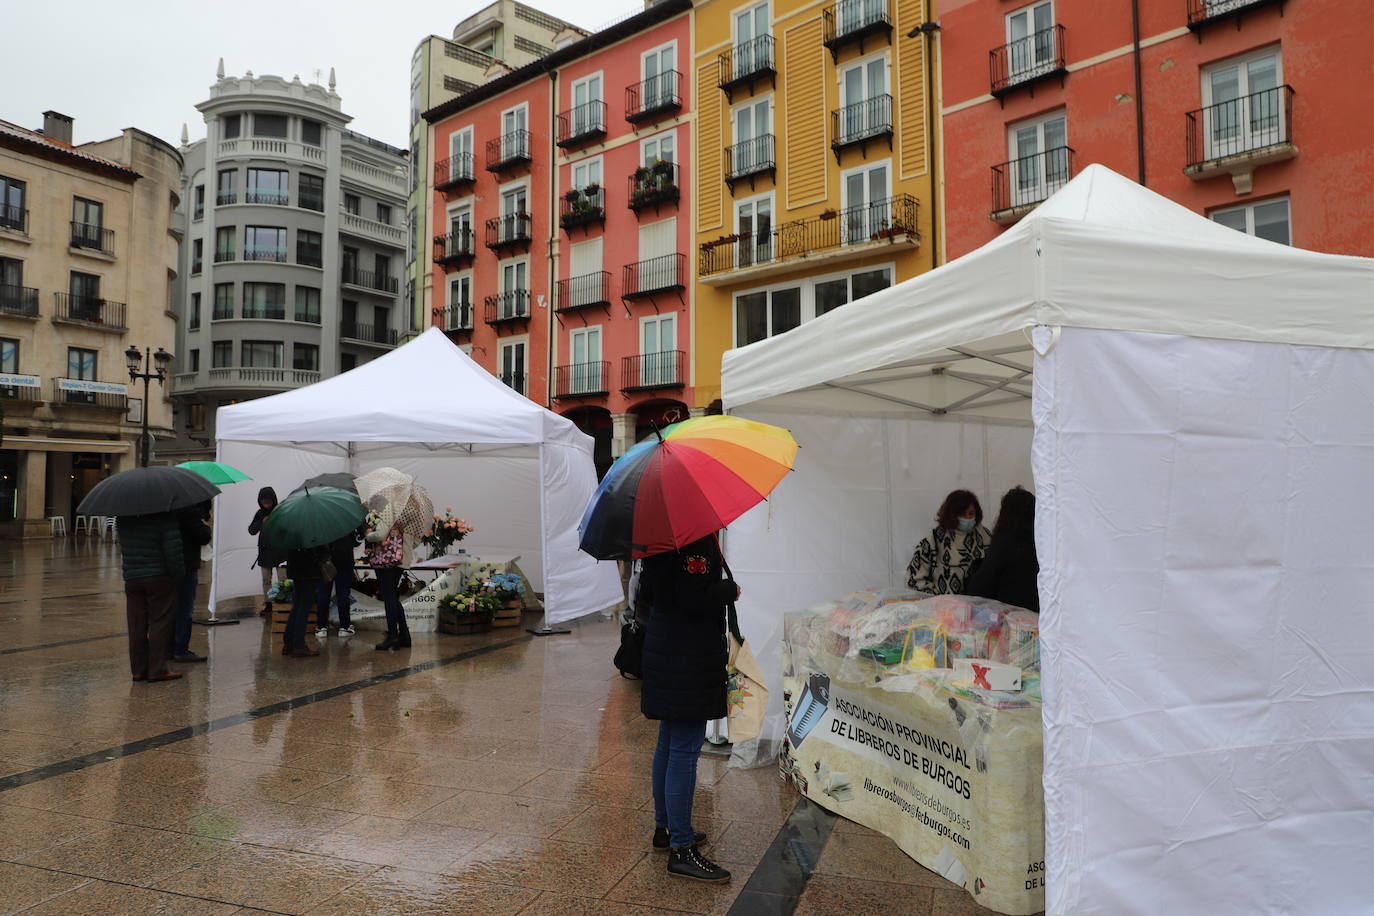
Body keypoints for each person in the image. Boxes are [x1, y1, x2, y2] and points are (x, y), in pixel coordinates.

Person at [638, 533, 737, 883]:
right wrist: (730, 590)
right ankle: (681, 849)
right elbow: (692, 595)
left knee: (669, 742)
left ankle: (665, 829)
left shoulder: (657, 534)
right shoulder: (693, 538)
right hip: (687, 656)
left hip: (667, 647)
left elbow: (650, 594)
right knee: (683, 749)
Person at [117, 510, 186, 682]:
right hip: (159, 577)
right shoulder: (164, 516)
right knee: (160, 623)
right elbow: (173, 550)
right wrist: (178, 575)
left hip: (132, 578)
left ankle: (138, 670)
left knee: (136, 624)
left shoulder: (124, 517)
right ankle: (157, 669)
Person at [965, 486, 1039, 611]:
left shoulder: (1004, 542)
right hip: (1041, 616)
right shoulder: (1044, 542)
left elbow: (980, 587)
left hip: (1010, 617)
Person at [906, 489, 991, 595]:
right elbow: (914, 580)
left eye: (971, 513)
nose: (968, 518)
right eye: (962, 514)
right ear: (951, 514)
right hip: (943, 608)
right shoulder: (933, 541)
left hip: (981, 607)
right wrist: (939, 599)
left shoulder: (985, 537)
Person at [170, 501, 211, 662]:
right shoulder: (188, 509)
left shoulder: (166, 507)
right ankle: (180, 648)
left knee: (170, 608)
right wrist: (204, 524)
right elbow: (203, 536)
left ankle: (168, 647)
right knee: (185, 607)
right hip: (186, 565)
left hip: (168, 565)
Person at [366, 519, 411, 651]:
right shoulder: (412, 516)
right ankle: (404, 635)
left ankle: (393, 635)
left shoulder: (390, 512)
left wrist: (368, 534)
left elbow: (380, 534)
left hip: (387, 559)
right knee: (392, 596)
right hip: (402, 558)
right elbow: (416, 540)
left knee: (389, 596)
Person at [283, 544, 328, 658]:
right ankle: (299, 645)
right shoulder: (313, 528)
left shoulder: (292, 527)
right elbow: (320, 548)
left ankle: (289, 643)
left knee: (297, 605)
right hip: (310, 570)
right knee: (303, 607)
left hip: (295, 567)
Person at [248, 487, 287, 616]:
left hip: (281, 552)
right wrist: (261, 522)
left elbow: (287, 529)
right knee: (266, 580)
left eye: (268, 502)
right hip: (265, 552)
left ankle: (283, 603)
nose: (266, 505)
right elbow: (251, 530)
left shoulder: (280, 511)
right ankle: (268, 604)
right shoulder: (260, 514)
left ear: (273, 500)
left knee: (283, 580)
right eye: (263, 502)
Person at [315, 529, 359, 639]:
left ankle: (321, 627)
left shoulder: (320, 516)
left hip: (325, 558)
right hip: (344, 557)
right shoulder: (346, 517)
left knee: (323, 592)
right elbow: (356, 541)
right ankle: (344, 627)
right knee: (343, 592)